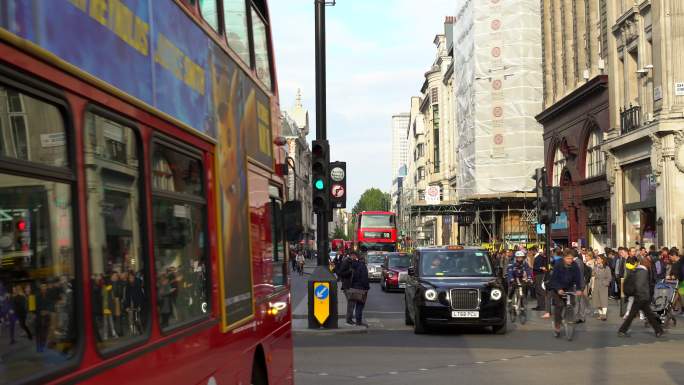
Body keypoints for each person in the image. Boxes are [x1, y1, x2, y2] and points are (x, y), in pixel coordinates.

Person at [618, 257, 664, 337]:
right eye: (649, 263)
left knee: (648, 315)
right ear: (646, 263)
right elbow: (640, 284)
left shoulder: (637, 270)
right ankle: (622, 330)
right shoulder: (643, 271)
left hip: (641, 296)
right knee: (642, 315)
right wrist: (642, 294)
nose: (650, 265)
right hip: (641, 296)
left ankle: (658, 330)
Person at [549, 250, 584, 338]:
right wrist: (558, 289)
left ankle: (568, 318)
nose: (570, 260)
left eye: (571, 258)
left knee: (571, 304)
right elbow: (554, 279)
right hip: (558, 288)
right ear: (564, 258)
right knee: (559, 306)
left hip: (569, 287)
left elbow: (578, 278)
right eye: (568, 258)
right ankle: (557, 326)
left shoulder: (574, 265)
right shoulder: (558, 265)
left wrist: (579, 289)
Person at [349, 253, 370, 327]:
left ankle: (356, 321)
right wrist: (367, 287)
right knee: (360, 305)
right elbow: (364, 278)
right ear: (363, 259)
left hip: (354, 287)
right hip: (361, 288)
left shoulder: (354, 265)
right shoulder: (362, 266)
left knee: (356, 305)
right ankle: (358, 322)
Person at [337, 252, 355, 325]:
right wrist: (350, 271)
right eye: (354, 256)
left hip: (351, 285)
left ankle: (349, 319)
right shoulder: (346, 262)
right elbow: (341, 273)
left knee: (352, 302)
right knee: (351, 302)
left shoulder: (351, 262)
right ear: (351, 255)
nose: (355, 257)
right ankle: (348, 319)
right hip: (347, 285)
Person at [592, 255, 611, 321]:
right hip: (596, 284)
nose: (597, 259)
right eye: (597, 258)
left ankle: (604, 314)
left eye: (598, 258)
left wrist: (605, 283)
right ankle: (600, 314)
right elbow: (593, 274)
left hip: (603, 285)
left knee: (603, 299)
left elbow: (609, 277)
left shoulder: (606, 268)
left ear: (602, 260)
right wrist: (595, 267)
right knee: (597, 300)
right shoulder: (595, 267)